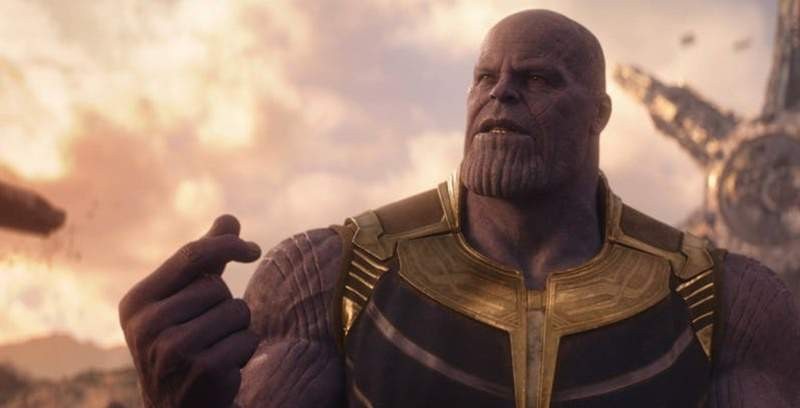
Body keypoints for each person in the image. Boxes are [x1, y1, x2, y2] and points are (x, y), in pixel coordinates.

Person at [118, 9, 800, 408]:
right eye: (483, 78)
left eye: (538, 78)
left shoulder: (726, 302)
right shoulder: (330, 277)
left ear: (600, 115)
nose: (500, 95)